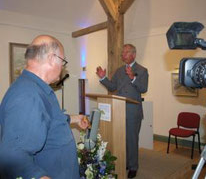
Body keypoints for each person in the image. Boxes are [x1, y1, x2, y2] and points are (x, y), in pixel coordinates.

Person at [0, 35, 89, 179]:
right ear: (51, 58)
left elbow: (48, 119)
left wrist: (75, 119)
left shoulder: (37, 88)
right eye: (63, 61)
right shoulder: (28, 95)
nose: (63, 67)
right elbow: (13, 154)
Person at [96, 44, 148, 178]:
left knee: (131, 139)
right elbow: (113, 87)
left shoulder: (142, 70)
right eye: (122, 53)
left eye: (126, 52)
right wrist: (103, 78)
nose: (123, 55)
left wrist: (133, 78)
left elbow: (143, 88)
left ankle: (133, 167)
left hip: (133, 112)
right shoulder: (119, 71)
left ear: (133, 54)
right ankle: (124, 162)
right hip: (118, 110)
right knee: (121, 139)